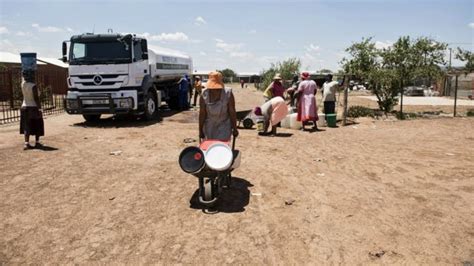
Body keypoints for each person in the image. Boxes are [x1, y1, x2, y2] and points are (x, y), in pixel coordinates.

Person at [199, 71, 238, 141]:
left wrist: (235, 128)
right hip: (209, 125)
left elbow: (232, 112)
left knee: (221, 146)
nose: (216, 90)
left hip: (224, 124)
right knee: (209, 147)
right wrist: (200, 130)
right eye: (213, 89)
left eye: (218, 88)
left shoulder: (228, 94)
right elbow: (202, 114)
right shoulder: (204, 95)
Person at [20, 70, 44, 150]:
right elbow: (36, 98)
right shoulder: (33, 85)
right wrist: (39, 109)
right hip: (33, 107)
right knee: (37, 124)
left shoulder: (23, 84)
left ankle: (26, 143)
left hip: (24, 107)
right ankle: (37, 142)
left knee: (27, 126)